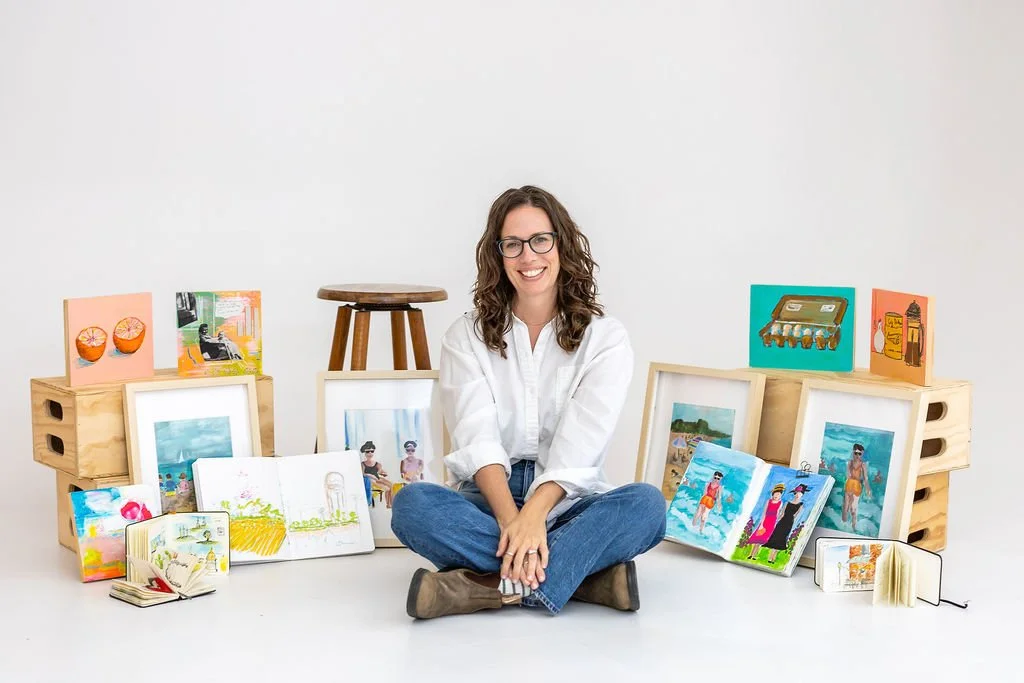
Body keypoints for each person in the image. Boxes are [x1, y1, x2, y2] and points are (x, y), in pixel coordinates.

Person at [390, 185, 666, 620]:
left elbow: (583, 442)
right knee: (413, 506)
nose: (528, 257)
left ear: (561, 244)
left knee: (647, 507)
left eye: (540, 240)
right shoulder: (466, 336)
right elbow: (476, 436)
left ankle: (485, 590)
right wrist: (511, 522)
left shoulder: (605, 338)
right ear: (497, 256)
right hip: (487, 498)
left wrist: (536, 516)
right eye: (512, 245)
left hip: (568, 502)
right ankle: (585, 579)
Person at [763, 483, 810, 564]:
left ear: (802, 495)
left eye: (800, 494)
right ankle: (769, 558)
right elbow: (782, 513)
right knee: (776, 536)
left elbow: (796, 515)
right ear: (795, 493)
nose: (798, 495)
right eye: (797, 493)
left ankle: (773, 559)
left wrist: (791, 521)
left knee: (782, 538)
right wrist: (777, 520)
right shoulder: (787, 503)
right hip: (782, 521)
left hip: (789, 522)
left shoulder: (801, 505)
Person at [745, 483, 784, 561]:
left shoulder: (780, 503)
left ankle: (754, 556)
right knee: (757, 539)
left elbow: (778, 514)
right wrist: (762, 524)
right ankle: (751, 554)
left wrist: (778, 520)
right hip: (765, 521)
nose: (777, 496)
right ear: (773, 494)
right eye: (775, 494)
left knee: (761, 541)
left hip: (772, 523)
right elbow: (764, 512)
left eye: (779, 494)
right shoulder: (768, 501)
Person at [842, 443, 872, 532]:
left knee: (853, 509)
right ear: (853, 452)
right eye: (855, 453)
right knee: (845, 507)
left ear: (862, 454)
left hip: (857, 486)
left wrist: (868, 489)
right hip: (849, 484)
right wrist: (849, 469)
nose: (857, 455)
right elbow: (848, 475)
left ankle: (853, 527)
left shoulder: (863, 465)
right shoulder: (849, 463)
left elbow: (866, 478)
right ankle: (843, 526)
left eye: (859, 454)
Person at [360, 441, 394, 508]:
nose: (370, 453)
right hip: (371, 480)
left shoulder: (377, 463)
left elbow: (380, 471)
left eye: (372, 451)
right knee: (387, 489)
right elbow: (363, 474)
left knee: (392, 485)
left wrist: (383, 473)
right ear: (364, 452)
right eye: (367, 452)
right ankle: (388, 504)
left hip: (377, 478)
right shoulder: (363, 464)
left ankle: (391, 502)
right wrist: (370, 475)